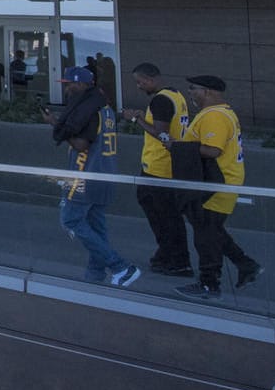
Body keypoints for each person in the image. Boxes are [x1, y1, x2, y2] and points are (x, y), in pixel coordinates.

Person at [44, 67, 141, 288]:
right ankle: (95, 274)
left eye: (70, 84)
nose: (67, 89)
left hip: (84, 176)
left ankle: (121, 266)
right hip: (105, 174)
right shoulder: (104, 109)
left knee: (70, 219)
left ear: (83, 85)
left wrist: (53, 124)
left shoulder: (88, 110)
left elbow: (81, 144)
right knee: (97, 226)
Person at [173, 75, 262, 301]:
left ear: (208, 92)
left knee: (205, 234)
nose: (190, 93)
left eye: (193, 89)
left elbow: (213, 150)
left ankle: (209, 283)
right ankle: (246, 265)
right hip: (218, 181)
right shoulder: (221, 113)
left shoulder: (214, 116)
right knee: (211, 229)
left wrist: (178, 147)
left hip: (217, 182)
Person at [125, 63, 194, 277]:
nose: (139, 86)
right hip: (167, 166)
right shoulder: (176, 96)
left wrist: (136, 119)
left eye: (141, 81)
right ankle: (167, 255)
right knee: (167, 216)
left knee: (164, 216)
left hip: (159, 167)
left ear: (152, 79)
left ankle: (177, 260)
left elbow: (161, 133)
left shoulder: (160, 100)